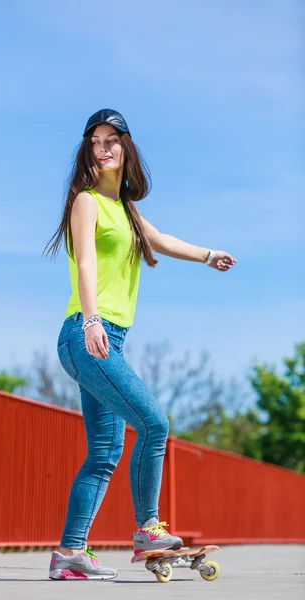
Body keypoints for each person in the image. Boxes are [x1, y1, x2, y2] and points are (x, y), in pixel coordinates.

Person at [43, 108, 236, 581]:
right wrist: (91, 321)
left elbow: (161, 240)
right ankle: (148, 527)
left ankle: (70, 553)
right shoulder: (86, 201)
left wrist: (208, 255)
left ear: (126, 148)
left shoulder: (127, 210)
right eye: (95, 141)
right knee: (154, 422)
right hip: (88, 333)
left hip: (110, 341)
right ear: (88, 152)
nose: (103, 147)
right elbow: (85, 263)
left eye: (113, 139)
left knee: (104, 453)